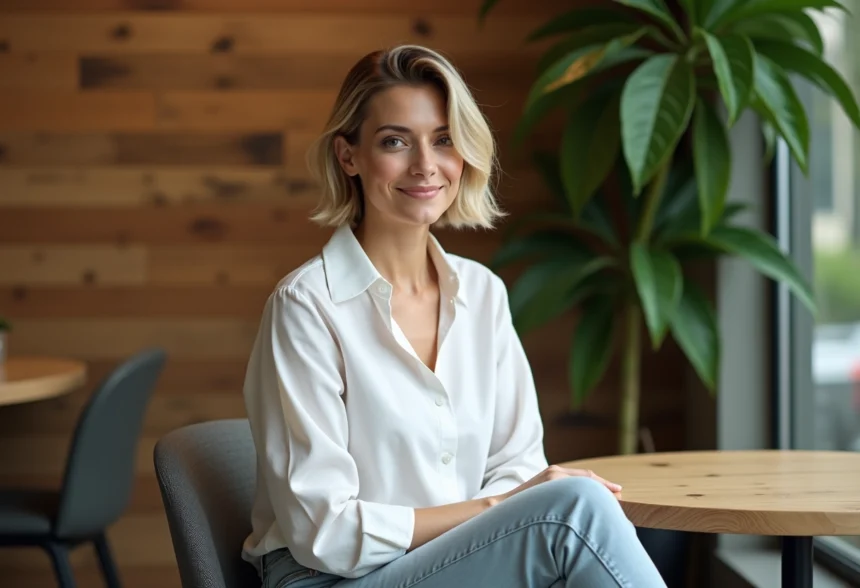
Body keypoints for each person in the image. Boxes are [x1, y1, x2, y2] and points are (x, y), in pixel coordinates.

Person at [241, 44, 666, 588]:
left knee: (569, 511)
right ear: (349, 156)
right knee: (574, 511)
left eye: (443, 139)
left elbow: (518, 464)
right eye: (395, 141)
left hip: (457, 560)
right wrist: (498, 509)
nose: (425, 165)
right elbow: (324, 531)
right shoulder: (305, 308)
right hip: (329, 579)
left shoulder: (482, 294)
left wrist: (502, 510)